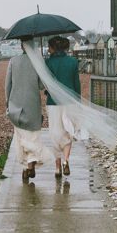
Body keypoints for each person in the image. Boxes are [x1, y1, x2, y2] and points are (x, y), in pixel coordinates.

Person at [5, 40, 51, 182]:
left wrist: (8, 103)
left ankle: (25, 168)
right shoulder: (37, 62)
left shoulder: (13, 61)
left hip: (16, 105)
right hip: (32, 105)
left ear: (21, 46)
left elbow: (8, 84)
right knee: (33, 136)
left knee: (21, 138)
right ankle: (31, 163)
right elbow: (40, 86)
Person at [45, 36, 81, 177]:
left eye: (49, 47)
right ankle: (66, 161)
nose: (48, 50)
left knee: (55, 134)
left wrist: (47, 90)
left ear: (54, 47)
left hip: (53, 103)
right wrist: (77, 100)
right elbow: (76, 83)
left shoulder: (48, 63)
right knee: (68, 131)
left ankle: (57, 168)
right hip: (70, 101)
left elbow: (47, 83)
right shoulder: (73, 61)